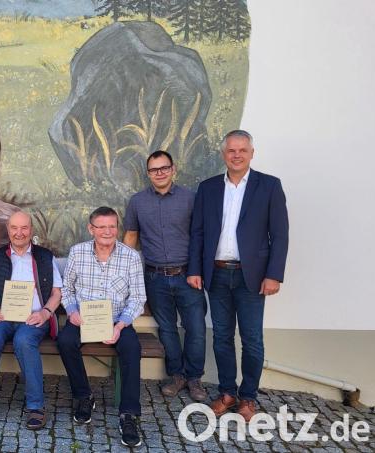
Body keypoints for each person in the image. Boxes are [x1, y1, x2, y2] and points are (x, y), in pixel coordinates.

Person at [188, 130, 289, 422]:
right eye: (231, 150)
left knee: (252, 340)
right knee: (221, 337)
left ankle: (248, 398)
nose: (237, 155)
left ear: (252, 153)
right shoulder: (208, 188)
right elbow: (198, 233)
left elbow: (280, 236)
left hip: (252, 277)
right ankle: (227, 393)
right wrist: (195, 269)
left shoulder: (269, 186)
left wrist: (274, 275)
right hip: (216, 274)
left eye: (242, 150)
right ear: (223, 154)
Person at [57, 207, 146, 447]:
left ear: (117, 228)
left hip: (117, 319)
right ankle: (84, 396)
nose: (107, 231)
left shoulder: (131, 257)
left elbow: (138, 298)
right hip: (84, 318)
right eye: (101, 226)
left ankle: (128, 414)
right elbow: (67, 289)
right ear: (91, 229)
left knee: (131, 348)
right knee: (65, 341)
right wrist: (72, 312)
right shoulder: (78, 252)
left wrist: (121, 325)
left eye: (112, 226)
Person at [123, 150, 208, 402]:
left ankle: (194, 378)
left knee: (196, 328)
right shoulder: (137, 202)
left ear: (173, 169)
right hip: (155, 277)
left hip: (187, 276)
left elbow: (200, 238)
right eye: (153, 169)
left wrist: (197, 271)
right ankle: (177, 375)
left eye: (164, 168)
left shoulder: (191, 199)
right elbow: (130, 239)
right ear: (148, 173)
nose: (159, 173)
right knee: (168, 329)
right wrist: (125, 272)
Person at [0, 211, 62, 430]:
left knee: (23, 341)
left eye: (24, 228)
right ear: (8, 230)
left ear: (31, 230)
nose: (19, 233)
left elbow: (57, 293)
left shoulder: (45, 257)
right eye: (14, 228)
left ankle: (36, 405)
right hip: (4, 317)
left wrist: (45, 313)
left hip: (34, 317)